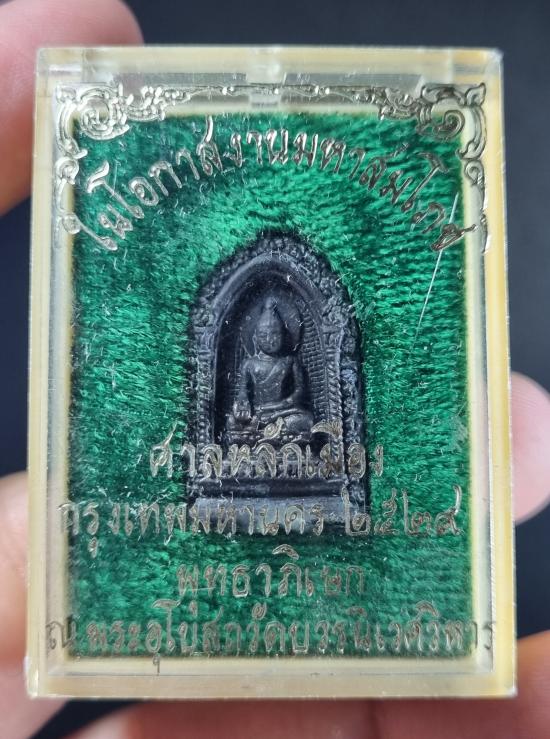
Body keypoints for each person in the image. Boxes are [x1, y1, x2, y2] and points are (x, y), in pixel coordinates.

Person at [1, 1, 550, 736]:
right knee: (249, 429)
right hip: (253, 437)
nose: (265, 340)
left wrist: (284, 416)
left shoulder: (290, 362)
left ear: (286, 333)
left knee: (297, 422)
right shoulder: (244, 361)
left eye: (273, 334)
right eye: (258, 333)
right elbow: (239, 410)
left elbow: (297, 407)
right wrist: (242, 416)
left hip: (288, 432)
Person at [228, 297, 313, 442]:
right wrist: (243, 402)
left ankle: (260, 436)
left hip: (283, 411)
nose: (269, 340)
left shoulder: (290, 361)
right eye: (263, 335)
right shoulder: (249, 363)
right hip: (257, 412)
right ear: (255, 338)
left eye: (275, 334)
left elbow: (300, 390)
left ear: (284, 336)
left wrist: (284, 404)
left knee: (306, 420)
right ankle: (273, 435)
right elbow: (243, 391)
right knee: (232, 421)